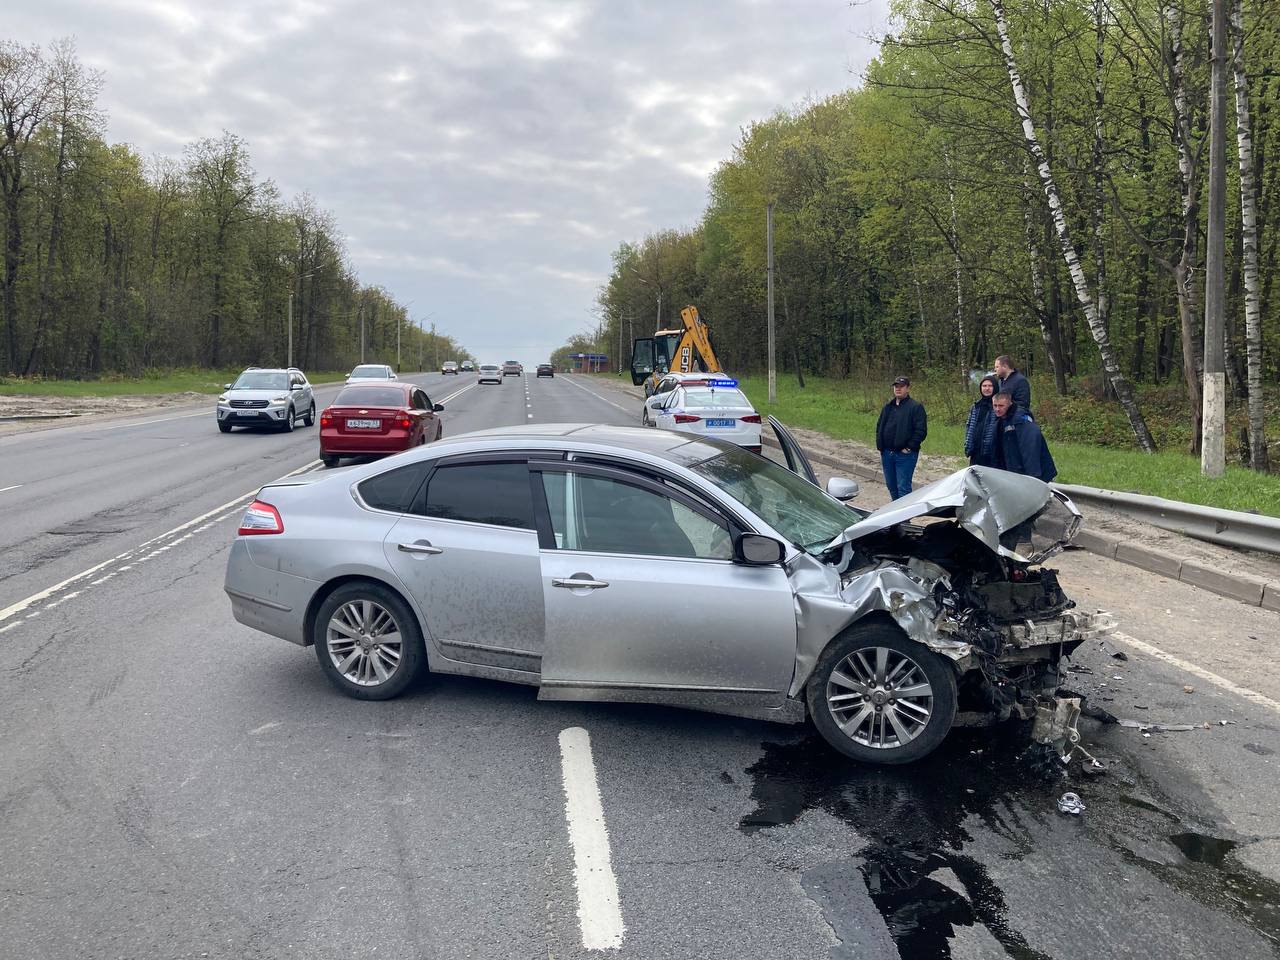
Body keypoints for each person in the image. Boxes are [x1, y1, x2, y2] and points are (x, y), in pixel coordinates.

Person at [875, 376, 927, 499]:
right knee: (891, 486)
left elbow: (921, 431)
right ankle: (895, 516)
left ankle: (904, 518)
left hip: (905, 456)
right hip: (887, 453)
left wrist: (909, 447)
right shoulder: (888, 407)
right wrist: (880, 446)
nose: (898, 389)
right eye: (896, 386)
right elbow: (879, 426)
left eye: (901, 387)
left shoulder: (915, 407)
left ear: (907, 388)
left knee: (903, 487)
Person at [992, 391, 1056, 482]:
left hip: (1036, 473)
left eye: (1001, 406)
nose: (997, 409)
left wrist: (1032, 477)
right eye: (995, 405)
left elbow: (1031, 448)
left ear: (1010, 404)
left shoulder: (1021, 419)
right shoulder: (1001, 420)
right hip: (1015, 471)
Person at [963, 375, 1000, 467]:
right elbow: (969, 426)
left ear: (995, 387)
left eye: (990, 386)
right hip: (975, 452)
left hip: (992, 454)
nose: (987, 388)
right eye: (984, 386)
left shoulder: (998, 407)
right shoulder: (976, 406)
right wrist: (968, 444)